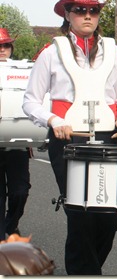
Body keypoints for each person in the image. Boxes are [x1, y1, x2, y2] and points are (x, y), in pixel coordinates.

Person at [22, 0, 117, 275]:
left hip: (110, 139)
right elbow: (31, 101)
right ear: (68, 15)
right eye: (80, 10)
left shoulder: (115, 52)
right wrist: (54, 121)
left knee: (111, 217)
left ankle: (88, 268)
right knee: (81, 216)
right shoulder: (51, 53)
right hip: (69, 139)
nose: (87, 15)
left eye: (93, 10)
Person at [0, 28, 31, 240]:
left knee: (20, 192)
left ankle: (10, 226)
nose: (2, 50)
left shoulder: (23, 70)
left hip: (17, 143)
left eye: (6, 45)